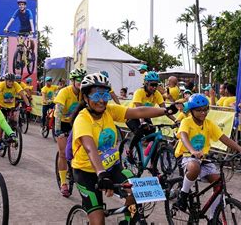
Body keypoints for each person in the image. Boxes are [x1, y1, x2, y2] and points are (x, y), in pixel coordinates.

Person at [71, 73, 178, 224]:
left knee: (136, 194)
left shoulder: (110, 110)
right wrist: (101, 173)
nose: (101, 100)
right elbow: (90, 148)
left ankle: (126, 221)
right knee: (98, 221)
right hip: (86, 172)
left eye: (104, 95)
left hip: (112, 168)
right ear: (86, 97)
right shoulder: (82, 119)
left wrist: (166, 111)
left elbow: (138, 112)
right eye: (96, 95)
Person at [174, 94, 241, 217]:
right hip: (186, 155)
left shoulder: (209, 123)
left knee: (219, 185)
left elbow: (223, 138)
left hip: (203, 158)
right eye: (199, 110)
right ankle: (183, 195)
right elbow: (183, 136)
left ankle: (212, 217)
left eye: (205, 109)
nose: (203, 113)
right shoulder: (186, 121)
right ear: (191, 111)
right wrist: (193, 150)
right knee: (194, 167)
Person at [53, 68, 86, 197]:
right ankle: (63, 183)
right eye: (79, 80)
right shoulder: (64, 92)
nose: (81, 82)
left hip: (77, 123)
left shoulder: (84, 93)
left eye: (83, 80)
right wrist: (57, 130)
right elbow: (58, 111)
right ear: (72, 81)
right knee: (62, 153)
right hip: (62, 123)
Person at [126, 71, 176, 154]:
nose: (154, 87)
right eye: (152, 85)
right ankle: (130, 150)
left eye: (156, 85)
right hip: (132, 116)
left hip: (145, 116)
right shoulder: (139, 92)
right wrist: (142, 122)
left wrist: (176, 120)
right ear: (146, 83)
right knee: (139, 132)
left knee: (154, 141)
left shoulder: (157, 94)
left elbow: (165, 110)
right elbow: (139, 109)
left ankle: (152, 165)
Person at [0, 73, 31, 150]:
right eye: (9, 81)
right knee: (2, 124)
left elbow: (23, 95)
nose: (11, 83)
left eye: (12, 81)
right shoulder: (1, 84)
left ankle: (12, 137)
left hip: (11, 107)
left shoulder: (16, 84)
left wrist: (28, 105)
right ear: (6, 80)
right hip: (1, 106)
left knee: (13, 122)